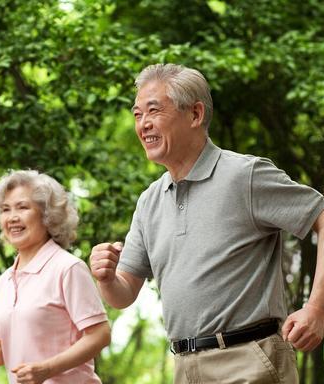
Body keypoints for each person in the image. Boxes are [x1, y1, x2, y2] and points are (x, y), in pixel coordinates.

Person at [89, 63, 324, 383]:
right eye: (137, 114)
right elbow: (123, 294)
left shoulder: (245, 176)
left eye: (153, 110)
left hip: (250, 361)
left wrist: (317, 308)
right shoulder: (149, 202)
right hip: (185, 368)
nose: (143, 124)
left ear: (195, 114)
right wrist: (104, 278)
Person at [0, 170, 111, 384]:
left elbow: (100, 334)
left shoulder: (67, 268)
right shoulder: (4, 282)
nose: (12, 217)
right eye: (5, 209)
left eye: (22, 207)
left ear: (47, 215)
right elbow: (0, 352)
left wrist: (46, 369)